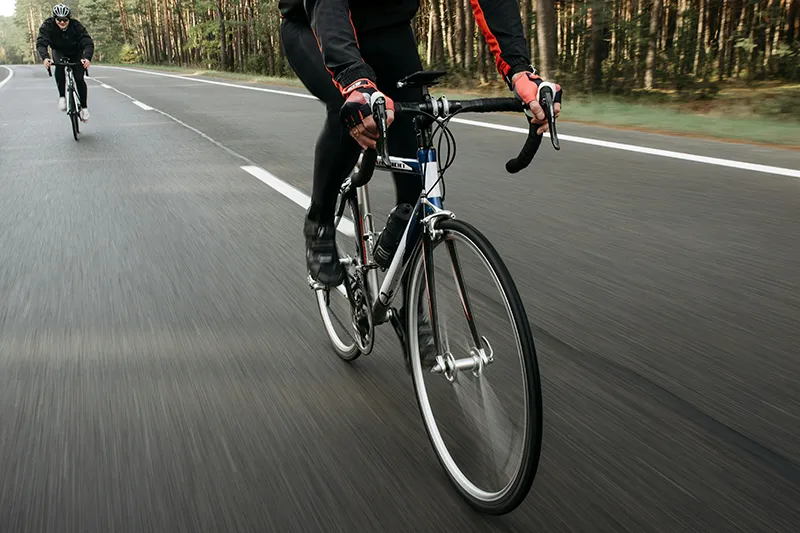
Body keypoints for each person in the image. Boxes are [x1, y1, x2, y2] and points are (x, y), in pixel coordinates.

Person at [279, 0, 562, 288]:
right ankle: (320, 221)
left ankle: (412, 312)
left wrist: (519, 70)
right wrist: (353, 79)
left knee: (416, 156)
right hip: (313, 24)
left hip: (388, 27)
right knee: (351, 110)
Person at [36, 4, 93, 122]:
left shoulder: (76, 25)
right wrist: (45, 57)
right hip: (59, 51)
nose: (62, 22)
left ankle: (84, 108)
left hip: (76, 52)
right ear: (54, 18)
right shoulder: (48, 25)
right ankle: (62, 96)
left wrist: (87, 57)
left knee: (79, 78)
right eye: (59, 20)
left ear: (69, 19)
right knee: (59, 67)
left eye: (65, 20)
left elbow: (87, 42)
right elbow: (41, 42)